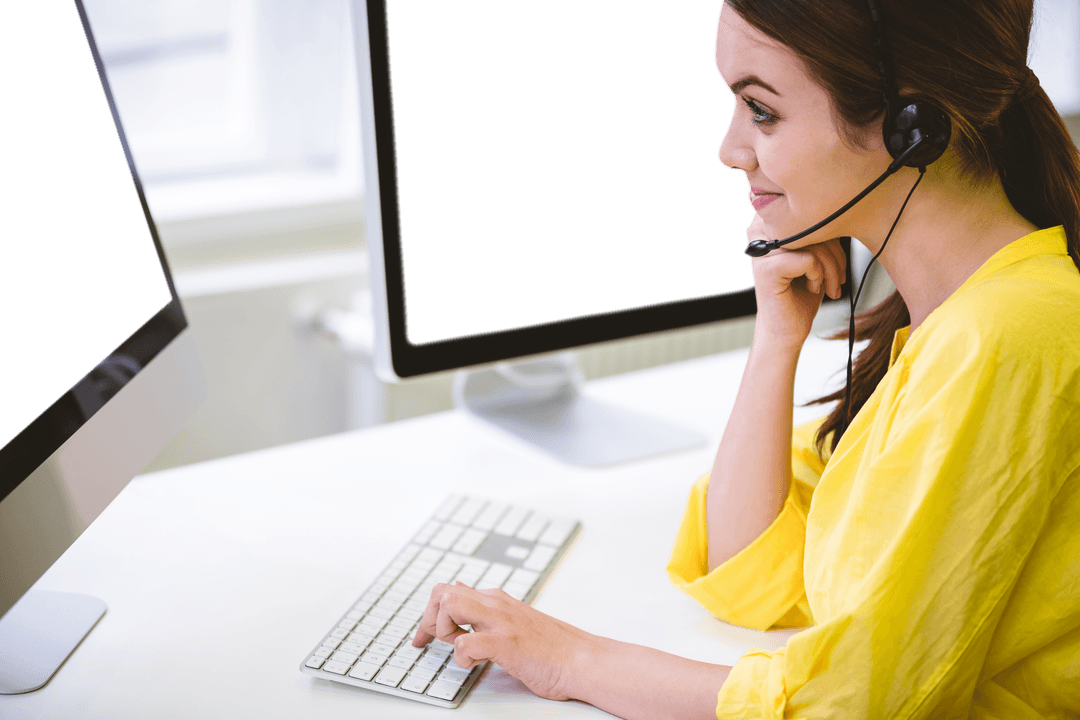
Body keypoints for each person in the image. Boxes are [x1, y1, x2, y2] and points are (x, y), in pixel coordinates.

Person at [412, 0, 1080, 717]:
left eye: (761, 111)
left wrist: (571, 660)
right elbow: (750, 569)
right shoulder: (955, 322)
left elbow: (855, 705)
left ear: (908, 128)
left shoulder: (1007, 337)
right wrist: (776, 341)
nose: (730, 148)